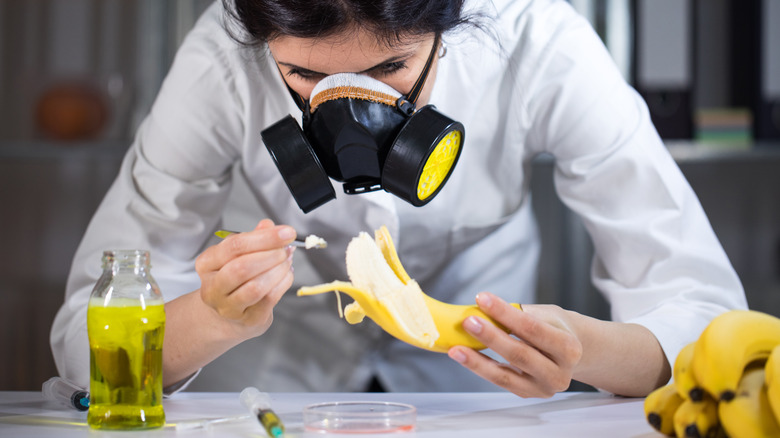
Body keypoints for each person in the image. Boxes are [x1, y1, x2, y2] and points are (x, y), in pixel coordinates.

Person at [51, 0, 747, 398]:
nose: (351, 123)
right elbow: (85, 346)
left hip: (481, 395)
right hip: (279, 393)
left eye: (391, 66)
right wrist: (208, 318)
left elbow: (712, 322)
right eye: (302, 75)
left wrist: (585, 349)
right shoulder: (220, 61)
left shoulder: (539, 41)